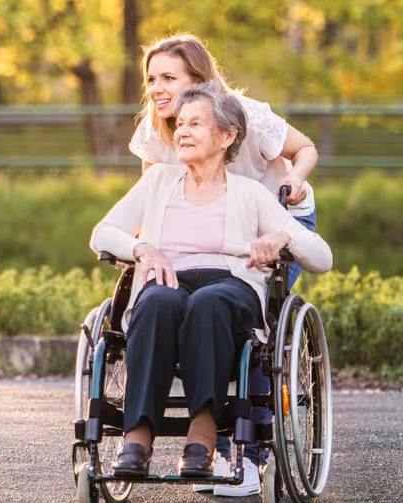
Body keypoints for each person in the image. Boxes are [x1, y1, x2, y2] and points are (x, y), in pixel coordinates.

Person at [89, 82, 332, 483]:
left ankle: (201, 435)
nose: (182, 131)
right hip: (168, 278)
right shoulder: (158, 182)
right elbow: (103, 233)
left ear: (227, 136)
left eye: (196, 124)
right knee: (156, 303)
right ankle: (138, 436)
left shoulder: (251, 194)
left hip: (230, 286)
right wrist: (142, 248)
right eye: (180, 123)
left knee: (209, 303)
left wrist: (283, 237)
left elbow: (322, 256)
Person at [131, 34, 318, 496]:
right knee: (173, 301)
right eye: (151, 78)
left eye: (169, 77)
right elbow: (154, 202)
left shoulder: (245, 114)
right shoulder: (157, 127)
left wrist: (293, 178)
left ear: (199, 79)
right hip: (207, 228)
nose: (156, 87)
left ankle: (250, 455)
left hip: (275, 214)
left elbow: (305, 148)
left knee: (252, 330)